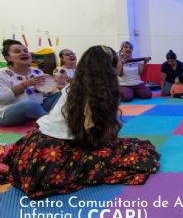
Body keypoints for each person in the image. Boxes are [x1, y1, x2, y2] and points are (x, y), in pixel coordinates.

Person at [0, 45, 160, 199]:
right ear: (108, 67)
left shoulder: (78, 84)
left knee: (128, 147)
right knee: (137, 156)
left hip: (35, 144)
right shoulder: (96, 91)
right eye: (118, 60)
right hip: (53, 153)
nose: (121, 63)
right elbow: (91, 134)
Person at [0, 39, 62, 126]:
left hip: (36, 109)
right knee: (29, 105)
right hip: (7, 113)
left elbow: (47, 93)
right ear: (8, 58)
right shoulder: (2, 74)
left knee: (62, 94)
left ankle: (47, 117)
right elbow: (2, 98)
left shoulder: (36, 71)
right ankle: (52, 122)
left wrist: (58, 85)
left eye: (26, 51)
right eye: (17, 51)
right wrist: (25, 84)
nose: (23, 53)